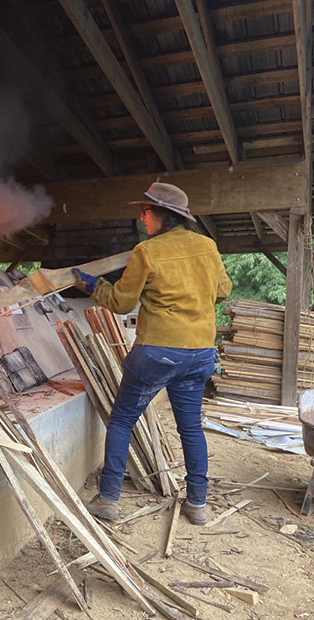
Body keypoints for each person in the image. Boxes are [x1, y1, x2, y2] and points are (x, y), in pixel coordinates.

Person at [72, 182, 232, 526]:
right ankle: (198, 505)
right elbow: (222, 290)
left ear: (160, 215)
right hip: (199, 354)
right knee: (190, 428)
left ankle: (109, 500)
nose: (143, 218)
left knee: (123, 419)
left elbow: (120, 302)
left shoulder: (147, 251)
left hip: (157, 353)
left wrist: (88, 284)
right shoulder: (207, 246)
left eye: (145, 212)